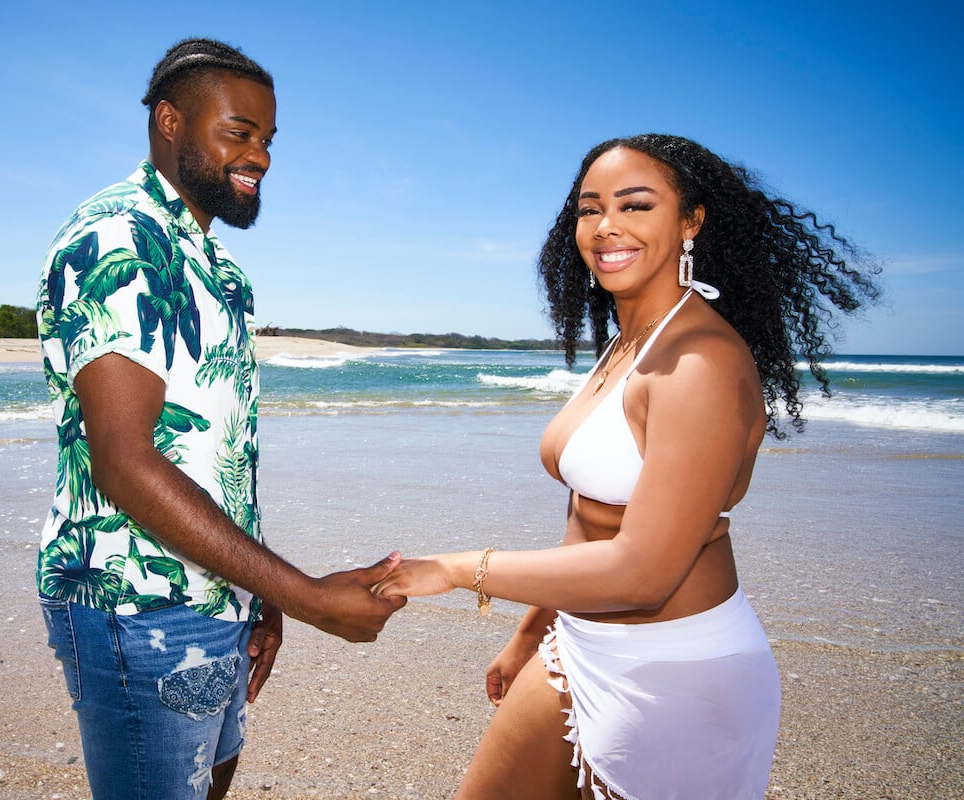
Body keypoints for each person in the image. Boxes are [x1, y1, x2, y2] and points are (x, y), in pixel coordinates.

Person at [372, 133, 879, 800]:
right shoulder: (630, 343)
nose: (606, 226)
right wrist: (532, 631)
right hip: (577, 648)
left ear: (691, 220)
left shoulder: (702, 363)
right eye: (589, 209)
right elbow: (591, 513)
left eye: (635, 205)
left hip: (676, 678)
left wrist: (454, 570)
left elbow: (643, 571)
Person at [35, 38, 405, 800]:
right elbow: (125, 462)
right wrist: (307, 595)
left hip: (219, 596)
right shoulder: (119, 238)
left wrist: (260, 597)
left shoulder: (221, 269)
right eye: (239, 132)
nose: (261, 156)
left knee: (212, 778)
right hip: (136, 605)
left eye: (268, 139)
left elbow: (214, 454)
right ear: (170, 121)